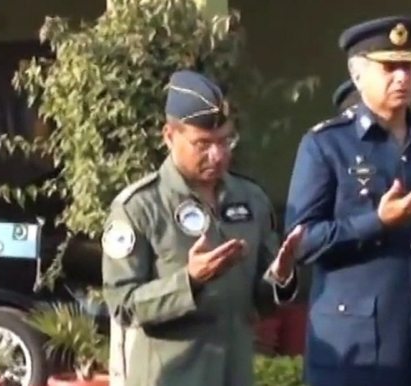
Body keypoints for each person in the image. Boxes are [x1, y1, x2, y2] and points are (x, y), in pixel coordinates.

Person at [103, 70, 303, 386]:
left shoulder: (251, 199)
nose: (218, 155)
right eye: (203, 144)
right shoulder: (140, 206)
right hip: (170, 376)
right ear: (169, 136)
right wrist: (190, 281)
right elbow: (123, 305)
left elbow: (260, 300)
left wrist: (281, 276)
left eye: (226, 141)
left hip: (233, 373)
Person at [285, 16, 411, 386]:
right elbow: (303, 241)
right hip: (356, 352)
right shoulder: (326, 145)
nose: (402, 78)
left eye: (409, 67)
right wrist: (378, 221)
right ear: (358, 75)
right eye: (390, 67)